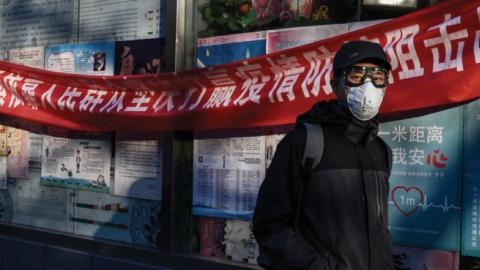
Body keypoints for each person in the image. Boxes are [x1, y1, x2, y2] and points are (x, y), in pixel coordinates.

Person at [253, 40, 394, 270]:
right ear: (336, 85)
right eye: (356, 75)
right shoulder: (303, 143)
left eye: (378, 76)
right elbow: (270, 225)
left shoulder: (380, 150)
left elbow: (378, 229)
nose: (369, 85)